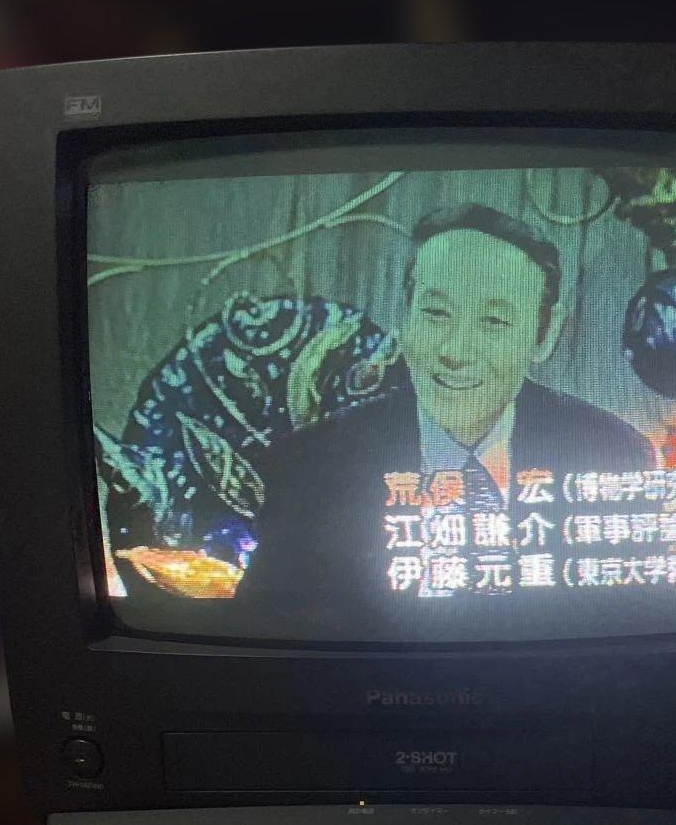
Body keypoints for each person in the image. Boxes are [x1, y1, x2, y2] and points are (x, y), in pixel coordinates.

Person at [231, 203, 654, 639]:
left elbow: (629, 628)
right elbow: (270, 632)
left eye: (493, 321)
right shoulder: (310, 464)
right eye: (435, 313)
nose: (455, 351)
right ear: (405, 315)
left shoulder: (613, 453)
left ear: (544, 334)